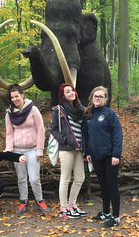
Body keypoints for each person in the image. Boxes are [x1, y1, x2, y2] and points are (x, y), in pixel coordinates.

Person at [5, 84, 50, 214]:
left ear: (22, 95)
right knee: (21, 178)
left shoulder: (33, 110)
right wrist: (9, 150)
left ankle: (40, 200)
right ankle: (23, 201)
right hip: (17, 151)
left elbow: (41, 130)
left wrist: (40, 149)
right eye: (12, 97)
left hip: (32, 149)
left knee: (34, 178)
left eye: (16, 96)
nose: (14, 99)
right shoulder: (9, 113)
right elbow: (9, 133)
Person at [82, 86, 123, 228]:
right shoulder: (88, 114)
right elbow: (86, 136)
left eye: (100, 96)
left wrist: (116, 154)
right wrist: (87, 152)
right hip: (96, 156)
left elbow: (117, 135)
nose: (97, 98)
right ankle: (106, 212)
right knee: (103, 185)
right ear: (91, 98)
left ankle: (115, 217)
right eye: (95, 96)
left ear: (106, 99)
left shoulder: (110, 114)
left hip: (110, 156)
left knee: (111, 185)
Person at [50, 83, 87, 218]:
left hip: (79, 149)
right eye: (67, 91)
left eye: (72, 90)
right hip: (66, 149)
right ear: (63, 96)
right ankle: (63, 209)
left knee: (79, 178)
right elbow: (53, 130)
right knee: (65, 179)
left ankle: (72, 205)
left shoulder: (81, 109)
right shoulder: (58, 110)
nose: (71, 93)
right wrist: (65, 140)